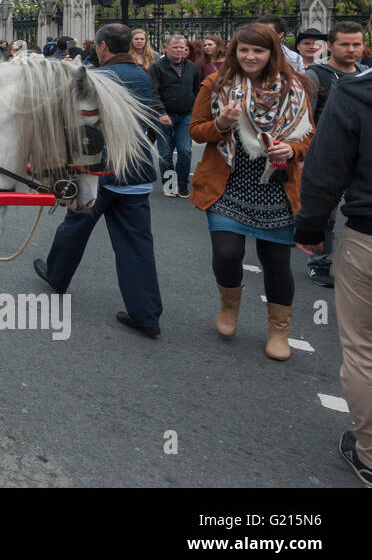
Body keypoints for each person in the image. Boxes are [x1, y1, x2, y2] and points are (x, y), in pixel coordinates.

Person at [189, 22, 313, 360]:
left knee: (276, 262)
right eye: (243, 50)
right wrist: (222, 124)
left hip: (277, 188)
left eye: (258, 50)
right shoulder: (216, 85)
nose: (250, 56)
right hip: (227, 185)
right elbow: (197, 132)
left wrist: (291, 149)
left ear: (272, 53)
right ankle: (229, 306)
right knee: (228, 253)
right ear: (234, 52)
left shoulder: (296, 88)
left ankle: (278, 331)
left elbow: (307, 135)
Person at [33, 24, 163, 338]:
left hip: (101, 171)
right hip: (137, 171)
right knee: (136, 245)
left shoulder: (99, 79)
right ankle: (146, 315)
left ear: (103, 46)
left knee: (74, 226)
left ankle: (58, 275)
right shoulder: (143, 76)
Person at [293, 62, 372, 486]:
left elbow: (326, 169)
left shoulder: (359, 92)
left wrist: (310, 225)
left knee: (363, 350)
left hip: (369, 236)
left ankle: (371, 456)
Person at [302, 21, 369, 288]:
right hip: (328, 154)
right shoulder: (315, 75)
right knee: (326, 210)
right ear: (330, 46)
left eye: (357, 44)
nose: (351, 49)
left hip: (361, 158)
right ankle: (320, 261)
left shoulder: (366, 75)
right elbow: (304, 117)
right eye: (345, 44)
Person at [148, 34, 202, 198]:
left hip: (186, 115)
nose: (180, 50)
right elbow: (153, 92)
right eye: (176, 47)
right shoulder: (156, 67)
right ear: (166, 48)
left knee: (185, 150)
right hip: (164, 116)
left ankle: (183, 183)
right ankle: (169, 184)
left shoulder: (192, 67)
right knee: (165, 153)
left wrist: (196, 111)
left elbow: (196, 91)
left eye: (182, 48)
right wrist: (161, 113)